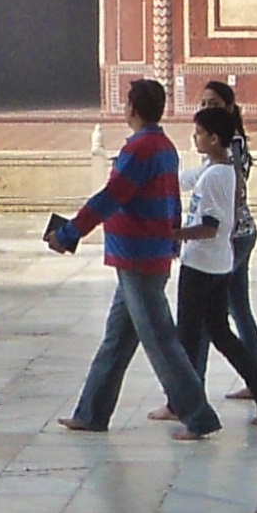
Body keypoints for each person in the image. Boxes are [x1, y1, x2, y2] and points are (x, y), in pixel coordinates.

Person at [45, 78, 218, 439]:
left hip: (138, 256)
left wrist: (68, 234)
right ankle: (91, 413)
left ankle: (199, 417)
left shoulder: (140, 150)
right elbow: (172, 200)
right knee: (117, 339)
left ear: (132, 110)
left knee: (160, 341)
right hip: (145, 255)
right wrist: (171, 240)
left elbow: (111, 197)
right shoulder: (164, 147)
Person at [167, 103, 257, 423]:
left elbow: (210, 226)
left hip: (201, 266)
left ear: (214, 138)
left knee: (187, 338)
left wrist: (175, 233)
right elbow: (183, 179)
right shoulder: (220, 170)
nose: (195, 138)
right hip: (217, 263)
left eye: (199, 133)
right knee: (219, 332)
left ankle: (190, 411)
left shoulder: (216, 177)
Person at [201, 78, 257, 403]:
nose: (207, 109)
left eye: (214, 104)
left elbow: (233, 187)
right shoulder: (223, 143)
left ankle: (187, 394)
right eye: (204, 104)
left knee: (206, 314)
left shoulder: (231, 145)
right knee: (240, 308)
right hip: (242, 233)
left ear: (228, 107)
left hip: (233, 236)